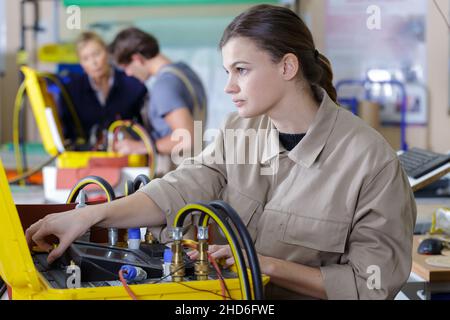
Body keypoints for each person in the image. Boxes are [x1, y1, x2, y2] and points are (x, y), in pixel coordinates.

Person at [26, 5, 416, 300]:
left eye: (241, 70)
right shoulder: (238, 130)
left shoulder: (370, 162)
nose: (229, 87)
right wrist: (89, 216)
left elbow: (372, 284)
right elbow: (178, 189)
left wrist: (264, 265)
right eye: (227, 71)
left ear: (287, 67)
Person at [108, 27, 207, 160]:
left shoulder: (163, 86)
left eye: (126, 67)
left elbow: (187, 138)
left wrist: (139, 146)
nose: (128, 74)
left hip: (180, 172)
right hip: (198, 165)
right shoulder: (185, 71)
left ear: (137, 59)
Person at [58, 31, 147, 148]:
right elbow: (66, 132)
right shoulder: (72, 90)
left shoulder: (132, 85)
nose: (94, 62)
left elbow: (146, 129)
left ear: (107, 52)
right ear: (81, 64)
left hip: (128, 155)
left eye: (96, 54)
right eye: (86, 58)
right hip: (87, 158)